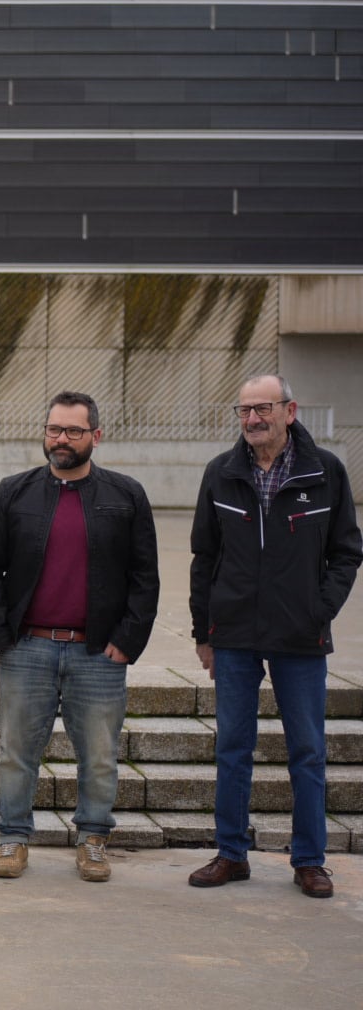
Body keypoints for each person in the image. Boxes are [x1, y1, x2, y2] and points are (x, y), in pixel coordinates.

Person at [187, 375, 360, 899]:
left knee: (307, 750)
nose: (252, 419)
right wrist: (203, 631)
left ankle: (309, 860)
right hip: (234, 635)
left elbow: (347, 552)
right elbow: (204, 558)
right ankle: (231, 854)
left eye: (262, 408)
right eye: (243, 410)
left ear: (290, 411)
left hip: (299, 638)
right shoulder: (221, 473)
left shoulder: (325, 472)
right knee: (233, 748)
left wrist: (319, 610)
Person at [0, 391, 159, 882]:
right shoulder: (14, 491)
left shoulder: (126, 495)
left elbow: (145, 576)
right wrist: (0, 637)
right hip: (27, 647)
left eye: (73, 431)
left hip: (98, 652)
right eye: (54, 429)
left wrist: (128, 640)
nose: (61, 439)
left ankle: (93, 840)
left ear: (95, 436)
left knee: (99, 756)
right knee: (16, 753)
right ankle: (13, 839)